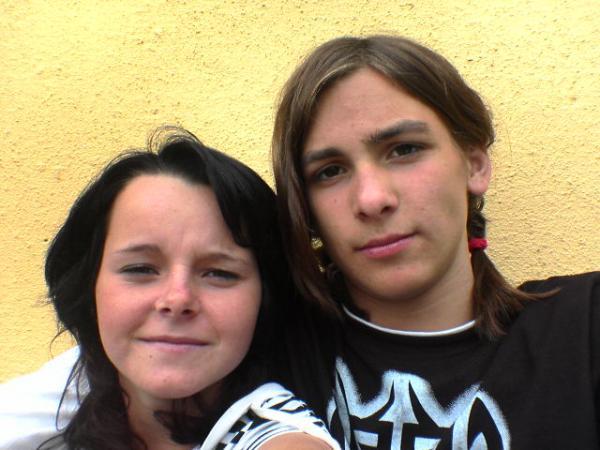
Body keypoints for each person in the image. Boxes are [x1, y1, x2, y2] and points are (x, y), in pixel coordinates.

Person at [271, 35, 599, 448]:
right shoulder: (264, 351)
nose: (372, 199)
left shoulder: (583, 329)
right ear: (306, 206)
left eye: (404, 149)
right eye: (330, 171)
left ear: (474, 165)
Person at [0, 127, 339, 450]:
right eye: (140, 269)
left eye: (219, 273)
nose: (177, 299)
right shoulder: (75, 384)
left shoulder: (278, 433)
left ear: (266, 300)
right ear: (89, 288)